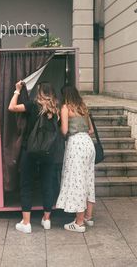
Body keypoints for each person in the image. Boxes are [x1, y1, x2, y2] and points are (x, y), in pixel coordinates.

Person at [8, 80, 60, 233]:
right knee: (47, 184)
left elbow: (11, 107)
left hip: (30, 151)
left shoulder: (32, 105)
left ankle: (26, 223)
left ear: (40, 92)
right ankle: (47, 219)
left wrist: (17, 90)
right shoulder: (56, 109)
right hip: (49, 152)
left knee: (26, 184)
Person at [56, 85, 95, 233]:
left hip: (76, 144)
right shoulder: (83, 107)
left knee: (78, 180)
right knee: (88, 179)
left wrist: (60, 122)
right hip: (88, 144)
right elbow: (90, 130)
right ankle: (88, 217)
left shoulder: (66, 108)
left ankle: (79, 223)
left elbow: (65, 131)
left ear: (65, 95)